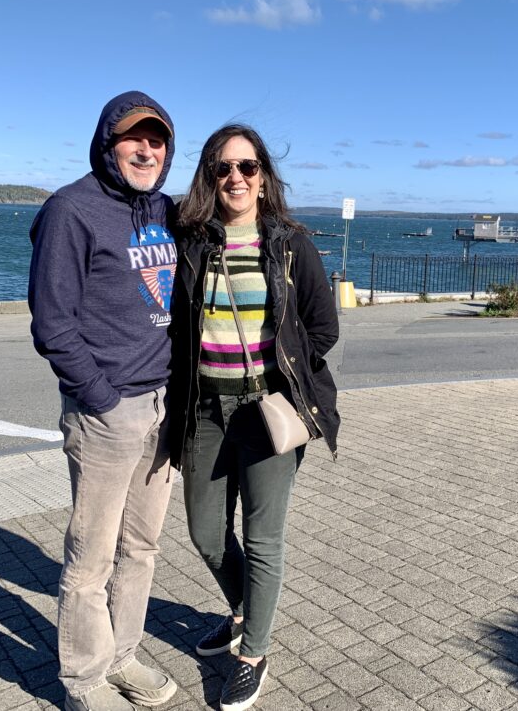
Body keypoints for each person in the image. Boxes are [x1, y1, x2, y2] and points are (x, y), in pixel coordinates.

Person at [169, 124, 340, 710]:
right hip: (205, 408)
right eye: (223, 168)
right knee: (205, 532)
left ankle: (254, 651)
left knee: (262, 537)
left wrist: (286, 375)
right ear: (209, 178)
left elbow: (324, 326)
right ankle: (244, 610)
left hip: (268, 411)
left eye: (246, 167)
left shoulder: (291, 244)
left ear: (263, 175)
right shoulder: (194, 240)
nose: (235, 178)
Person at [28, 91, 179, 711]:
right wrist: (99, 396)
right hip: (107, 412)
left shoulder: (167, 210)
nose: (147, 150)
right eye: (133, 138)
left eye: (159, 140)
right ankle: (84, 682)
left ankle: (123, 656)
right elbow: (52, 324)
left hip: (163, 407)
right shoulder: (70, 210)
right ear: (107, 142)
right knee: (90, 559)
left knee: (140, 548)